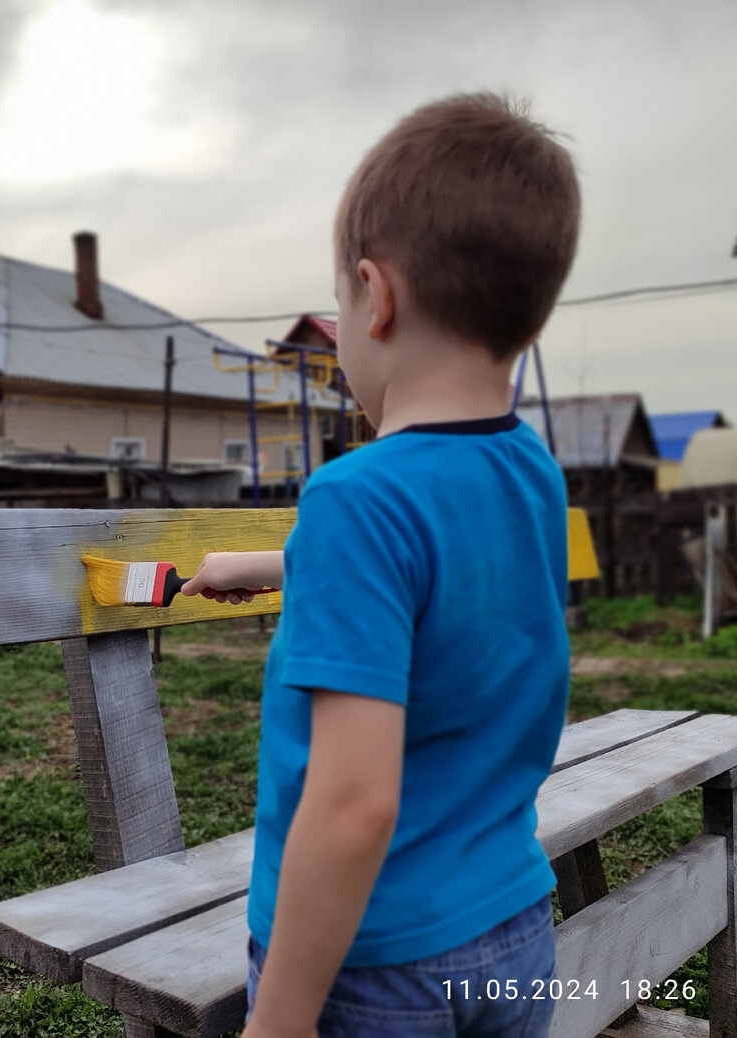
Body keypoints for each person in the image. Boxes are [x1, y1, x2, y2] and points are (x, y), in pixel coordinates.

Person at [180, 92, 580, 1038]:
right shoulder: (531, 474)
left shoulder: (354, 497)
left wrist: (274, 1024)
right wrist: (273, 563)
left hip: (377, 966)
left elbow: (355, 803)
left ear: (377, 293)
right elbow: (446, 580)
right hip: (515, 930)